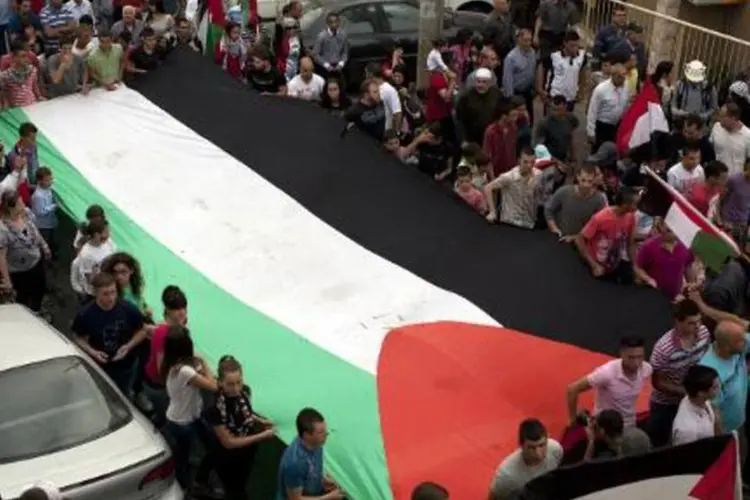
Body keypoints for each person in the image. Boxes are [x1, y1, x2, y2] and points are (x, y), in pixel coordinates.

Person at [204, 356, 277, 500]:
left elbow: (244, 413)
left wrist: (260, 420)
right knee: (235, 489)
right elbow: (228, 442)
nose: (236, 388)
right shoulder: (215, 407)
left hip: (246, 449)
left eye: (239, 382)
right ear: (220, 382)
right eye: (230, 384)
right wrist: (262, 436)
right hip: (228, 456)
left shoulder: (242, 393)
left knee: (243, 479)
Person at [646, 298, 711, 447]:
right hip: (665, 403)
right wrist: (686, 391)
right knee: (658, 441)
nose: (698, 326)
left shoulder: (704, 333)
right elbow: (658, 382)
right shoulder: (663, 349)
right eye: (691, 323)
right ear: (678, 322)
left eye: (699, 321)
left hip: (692, 398)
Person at [71, 271, 147, 396]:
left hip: (125, 365)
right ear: (96, 293)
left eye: (113, 292)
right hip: (99, 366)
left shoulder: (128, 309)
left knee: (123, 394)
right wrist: (92, 352)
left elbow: (142, 330)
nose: (111, 298)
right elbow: (77, 337)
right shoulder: (85, 315)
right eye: (105, 294)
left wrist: (128, 346)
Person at [162, 326, 218, 491]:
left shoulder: (173, 364)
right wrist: (203, 361)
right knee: (182, 456)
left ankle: (194, 478)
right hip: (182, 422)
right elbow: (213, 386)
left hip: (189, 415)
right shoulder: (185, 371)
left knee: (206, 446)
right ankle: (186, 486)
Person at [567, 335, 653, 429]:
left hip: (629, 424)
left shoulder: (646, 369)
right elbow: (572, 389)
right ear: (622, 354)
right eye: (631, 358)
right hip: (605, 427)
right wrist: (572, 419)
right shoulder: (606, 373)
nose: (636, 362)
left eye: (640, 357)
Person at [142, 284, 187, 422]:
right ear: (168, 310)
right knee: (167, 416)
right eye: (177, 309)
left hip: (166, 381)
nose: (182, 312)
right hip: (159, 385)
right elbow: (162, 368)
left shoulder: (180, 323)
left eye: (184, 308)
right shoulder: (163, 333)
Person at [277, 408, 345, 500]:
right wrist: (329, 497)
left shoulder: (316, 443)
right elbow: (295, 499)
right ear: (307, 435)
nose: (326, 434)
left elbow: (311, 469)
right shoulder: (294, 464)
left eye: (325, 429)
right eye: (321, 432)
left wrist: (323, 480)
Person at [575, 187, 638, 283]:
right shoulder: (600, 218)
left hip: (613, 262)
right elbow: (579, 239)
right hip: (595, 262)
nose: (638, 207)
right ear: (626, 205)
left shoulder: (631, 217)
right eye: (635, 204)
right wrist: (594, 265)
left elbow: (630, 243)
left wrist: (635, 267)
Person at [0, 189, 49, 311]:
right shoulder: (3, 229)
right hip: (19, 271)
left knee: (40, 289)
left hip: (36, 261)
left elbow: (34, 230)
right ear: (11, 208)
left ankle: (37, 310)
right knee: (23, 297)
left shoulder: (25, 214)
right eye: (20, 203)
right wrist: (7, 280)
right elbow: (2, 256)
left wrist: (44, 245)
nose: (23, 205)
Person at [489, 418, 562, 500]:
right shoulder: (507, 475)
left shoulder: (555, 450)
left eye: (542, 445)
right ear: (521, 445)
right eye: (531, 448)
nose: (538, 453)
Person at [635, 219, 696, 300]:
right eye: (669, 230)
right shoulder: (648, 246)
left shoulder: (686, 246)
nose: (673, 232)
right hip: (651, 297)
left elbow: (688, 267)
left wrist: (692, 285)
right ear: (661, 226)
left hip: (674, 299)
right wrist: (648, 279)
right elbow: (638, 268)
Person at [545, 165, 606, 243]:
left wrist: (576, 237)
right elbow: (549, 210)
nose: (586, 185)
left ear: (594, 180)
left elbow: (599, 225)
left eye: (589, 181)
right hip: (561, 239)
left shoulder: (599, 199)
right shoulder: (564, 192)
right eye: (583, 180)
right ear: (578, 177)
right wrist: (554, 228)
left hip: (583, 242)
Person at [484, 145, 541, 229]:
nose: (529, 165)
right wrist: (492, 211)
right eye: (525, 162)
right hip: (510, 224)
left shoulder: (538, 175)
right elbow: (488, 188)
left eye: (532, 162)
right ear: (519, 161)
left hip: (528, 224)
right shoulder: (509, 177)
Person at [537, 30, 587, 112]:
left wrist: (582, 90)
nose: (575, 49)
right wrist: (540, 89)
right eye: (572, 46)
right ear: (565, 43)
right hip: (554, 97)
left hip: (570, 98)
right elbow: (541, 66)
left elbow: (583, 72)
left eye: (576, 45)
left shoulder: (582, 56)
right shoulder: (554, 56)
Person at [671, 364, 720, 445]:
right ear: (700, 393)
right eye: (715, 387)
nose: (719, 388)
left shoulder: (699, 399)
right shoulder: (686, 431)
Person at [586, 60, 629, 150]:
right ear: (613, 76)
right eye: (620, 77)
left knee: (611, 153)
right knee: (599, 152)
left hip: (616, 126)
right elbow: (592, 111)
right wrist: (591, 132)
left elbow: (625, 105)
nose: (623, 79)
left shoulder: (626, 86)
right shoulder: (601, 89)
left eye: (625, 76)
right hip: (602, 126)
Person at [70, 217, 116, 301]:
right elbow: (91, 280)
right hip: (98, 294)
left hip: (110, 286)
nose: (109, 234)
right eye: (106, 232)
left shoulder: (107, 243)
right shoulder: (87, 254)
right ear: (96, 234)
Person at [456, 67, 502, 146]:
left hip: (491, 137)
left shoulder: (497, 94)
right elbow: (460, 120)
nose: (480, 85)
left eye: (484, 82)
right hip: (472, 138)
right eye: (478, 81)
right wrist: (463, 139)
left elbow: (501, 114)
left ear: (490, 83)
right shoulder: (466, 97)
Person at [501, 28, 536, 123]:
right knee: (517, 121)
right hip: (516, 93)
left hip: (528, 92)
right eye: (525, 40)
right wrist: (510, 98)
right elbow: (507, 79)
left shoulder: (532, 53)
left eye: (530, 40)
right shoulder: (511, 58)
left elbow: (533, 71)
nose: (528, 43)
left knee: (529, 120)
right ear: (519, 40)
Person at [535, 94, 579, 162]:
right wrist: (553, 160)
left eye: (557, 110)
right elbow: (539, 147)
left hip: (563, 157)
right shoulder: (544, 124)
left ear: (565, 106)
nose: (553, 113)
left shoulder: (571, 118)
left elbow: (570, 136)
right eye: (552, 109)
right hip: (549, 159)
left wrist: (573, 156)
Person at [711, 102, 750, 177]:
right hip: (717, 179)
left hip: (736, 181)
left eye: (723, 117)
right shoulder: (716, 128)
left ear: (733, 118)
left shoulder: (747, 135)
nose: (719, 119)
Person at [0, 40, 44, 107]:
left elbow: (34, 87)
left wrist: (39, 97)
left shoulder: (32, 70)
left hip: (33, 106)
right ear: (13, 57)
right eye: (23, 56)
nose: (26, 59)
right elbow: (3, 94)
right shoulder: (5, 76)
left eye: (27, 56)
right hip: (17, 110)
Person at [45, 33, 89, 97]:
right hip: (56, 96)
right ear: (60, 48)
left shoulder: (78, 58)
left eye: (70, 48)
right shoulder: (52, 59)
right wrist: (63, 64)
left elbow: (85, 71)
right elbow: (55, 80)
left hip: (73, 94)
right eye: (64, 48)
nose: (67, 51)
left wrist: (84, 85)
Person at [312, 12, 347, 83]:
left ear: (339, 22)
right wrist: (327, 65)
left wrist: (341, 63)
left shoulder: (343, 35)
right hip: (325, 67)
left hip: (338, 66)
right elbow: (316, 54)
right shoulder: (322, 36)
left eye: (336, 22)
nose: (334, 24)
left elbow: (345, 52)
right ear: (327, 24)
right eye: (331, 22)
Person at [29, 166, 57, 253]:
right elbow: (41, 212)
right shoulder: (38, 196)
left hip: (49, 222)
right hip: (43, 226)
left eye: (50, 179)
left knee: (50, 239)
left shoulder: (48, 189)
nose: (50, 182)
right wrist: (54, 206)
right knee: (44, 243)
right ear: (39, 181)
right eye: (47, 180)